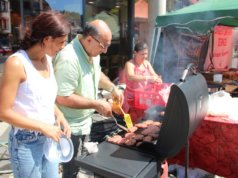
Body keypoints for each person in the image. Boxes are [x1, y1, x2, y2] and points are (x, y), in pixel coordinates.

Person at [0, 11, 71, 178]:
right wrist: (43, 127)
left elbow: (41, 97)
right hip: (26, 141)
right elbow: (4, 112)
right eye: (60, 42)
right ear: (46, 40)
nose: (63, 47)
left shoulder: (48, 59)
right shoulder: (17, 63)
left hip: (50, 137)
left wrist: (59, 114)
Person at [53, 19, 123, 178]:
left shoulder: (92, 52)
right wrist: (96, 104)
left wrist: (112, 87)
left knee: (81, 164)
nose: (105, 51)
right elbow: (63, 97)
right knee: (71, 170)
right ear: (90, 39)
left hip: (85, 122)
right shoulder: (69, 58)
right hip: (70, 126)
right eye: (103, 45)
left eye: (108, 46)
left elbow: (97, 75)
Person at [122, 42, 163, 123]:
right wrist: (148, 78)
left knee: (142, 120)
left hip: (143, 98)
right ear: (135, 53)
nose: (145, 56)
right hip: (131, 99)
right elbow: (131, 77)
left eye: (146, 54)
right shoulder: (129, 64)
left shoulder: (146, 63)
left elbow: (154, 74)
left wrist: (157, 79)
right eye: (142, 54)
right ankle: (128, 131)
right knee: (129, 121)